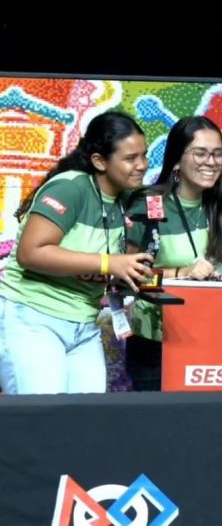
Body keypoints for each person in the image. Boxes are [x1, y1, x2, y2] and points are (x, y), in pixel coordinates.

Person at [0, 111, 154, 394]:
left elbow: (110, 263)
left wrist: (127, 273)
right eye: (131, 158)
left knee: (85, 420)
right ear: (99, 161)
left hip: (83, 325)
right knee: (39, 422)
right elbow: (30, 253)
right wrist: (109, 263)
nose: (142, 165)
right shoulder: (71, 188)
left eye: (144, 155)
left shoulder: (123, 200)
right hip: (33, 317)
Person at [125, 116, 222, 391]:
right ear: (177, 160)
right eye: (200, 153)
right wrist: (182, 274)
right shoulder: (147, 203)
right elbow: (128, 277)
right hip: (156, 338)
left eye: (217, 154)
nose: (211, 162)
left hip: (211, 335)